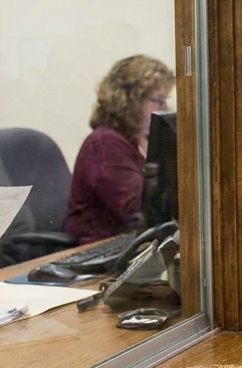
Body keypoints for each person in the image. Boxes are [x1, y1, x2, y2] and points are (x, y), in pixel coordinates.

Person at [64, 55, 174, 244]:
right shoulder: (104, 144)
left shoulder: (145, 141)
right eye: (158, 100)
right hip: (98, 249)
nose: (165, 107)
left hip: (133, 244)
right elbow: (138, 210)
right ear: (132, 101)